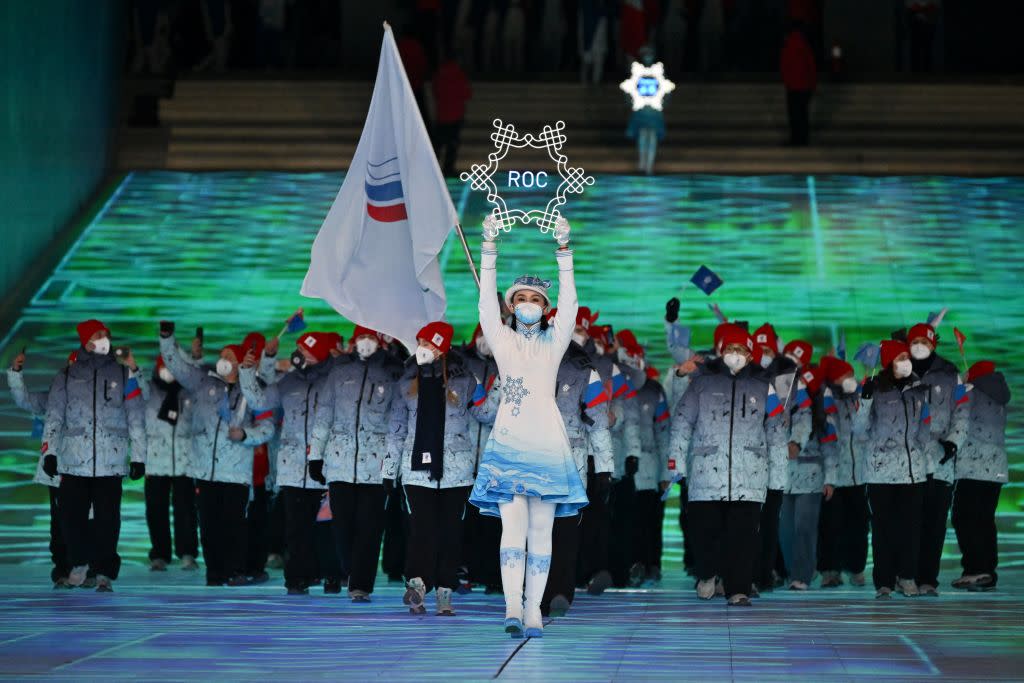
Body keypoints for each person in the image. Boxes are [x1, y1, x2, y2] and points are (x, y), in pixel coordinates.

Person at [469, 214, 586, 639]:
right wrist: (488, 247)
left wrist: (564, 252)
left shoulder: (555, 343)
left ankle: (534, 609)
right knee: (511, 530)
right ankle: (511, 608)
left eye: (536, 299)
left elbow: (570, 307)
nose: (528, 305)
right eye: (521, 298)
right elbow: (484, 304)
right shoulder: (502, 341)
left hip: (547, 445)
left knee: (542, 532)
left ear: (544, 306)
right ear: (512, 304)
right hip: (508, 445)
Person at [669, 323, 787, 607]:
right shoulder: (702, 383)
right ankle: (707, 574)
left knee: (743, 538)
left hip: (750, 476)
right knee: (705, 532)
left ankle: (738, 589)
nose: (735, 354)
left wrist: (779, 479)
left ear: (750, 354)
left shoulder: (763, 386)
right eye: (730, 349)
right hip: (706, 474)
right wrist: (675, 466)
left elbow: (776, 432)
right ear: (721, 352)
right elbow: (682, 423)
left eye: (741, 349)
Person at [159, 322, 274, 587]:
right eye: (221, 356)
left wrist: (246, 435)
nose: (223, 361)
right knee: (209, 528)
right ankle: (214, 573)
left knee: (234, 526)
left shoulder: (252, 390)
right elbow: (177, 366)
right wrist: (167, 340)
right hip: (205, 471)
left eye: (229, 357)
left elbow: (267, 427)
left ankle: (234, 571)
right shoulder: (203, 383)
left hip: (235, 473)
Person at [385, 322, 487, 616]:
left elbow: (485, 413)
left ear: (441, 347)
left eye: (428, 343)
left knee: (450, 533)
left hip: (456, 472)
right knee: (421, 531)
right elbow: (395, 430)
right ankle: (417, 586)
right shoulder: (406, 382)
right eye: (420, 343)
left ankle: (445, 591)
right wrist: (389, 472)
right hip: (417, 472)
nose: (422, 349)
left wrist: (506, 385)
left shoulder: (465, 379)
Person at [43, 320, 147, 592]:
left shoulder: (123, 375)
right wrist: (49, 452)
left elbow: (136, 415)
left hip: (110, 462)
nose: (104, 339)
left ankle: (104, 573)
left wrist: (139, 456)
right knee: (71, 517)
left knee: (108, 520)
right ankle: (78, 563)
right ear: (85, 340)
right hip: (73, 460)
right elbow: (53, 416)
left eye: (106, 335)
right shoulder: (67, 375)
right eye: (98, 335)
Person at [239, 332, 340, 595]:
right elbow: (259, 401)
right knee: (296, 528)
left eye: (305, 351)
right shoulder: (288, 382)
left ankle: (332, 575)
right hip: (293, 467)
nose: (299, 356)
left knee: (328, 527)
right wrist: (248, 373)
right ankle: (297, 579)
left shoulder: (336, 380)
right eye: (298, 351)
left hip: (328, 466)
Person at [309, 326, 401, 603]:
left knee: (370, 530)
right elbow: (323, 415)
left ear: (380, 342)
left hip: (374, 469)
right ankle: (350, 569)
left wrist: (391, 466)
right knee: (343, 527)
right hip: (340, 464)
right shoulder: (338, 374)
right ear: (353, 341)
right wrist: (316, 455)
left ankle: (361, 584)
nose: (365, 343)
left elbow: (398, 424)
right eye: (361, 337)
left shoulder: (391, 374)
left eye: (371, 338)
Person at [540, 313, 613, 615]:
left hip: (571, 464)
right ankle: (533, 595)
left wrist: (605, 467)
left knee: (566, 531)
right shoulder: (523, 361)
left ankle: (559, 593)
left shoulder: (585, 370)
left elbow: (598, 422)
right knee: (534, 531)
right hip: (529, 461)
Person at [854, 339, 932, 599]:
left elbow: (925, 424)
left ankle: (907, 577)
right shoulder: (875, 388)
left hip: (912, 473)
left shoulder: (919, 388)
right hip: (880, 472)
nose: (905, 361)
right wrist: (864, 402)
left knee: (910, 528)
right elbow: (859, 432)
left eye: (905, 356)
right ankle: (884, 581)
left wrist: (923, 452)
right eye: (899, 357)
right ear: (888, 362)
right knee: (883, 528)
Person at [906, 322, 969, 596]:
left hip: (941, 459)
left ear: (934, 343)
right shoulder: (899, 371)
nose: (920, 345)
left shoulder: (951, 374)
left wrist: (954, 442)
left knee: (934, 523)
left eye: (925, 340)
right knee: (908, 522)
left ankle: (928, 578)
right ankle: (905, 574)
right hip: (907, 462)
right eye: (915, 341)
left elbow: (963, 411)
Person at [7, 350, 74, 587]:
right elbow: (24, 399)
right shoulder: (51, 399)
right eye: (70, 369)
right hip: (58, 470)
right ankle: (63, 571)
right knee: (59, 522)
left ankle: (88, 568)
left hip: (90, 470)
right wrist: (16, 373)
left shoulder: (99, 400)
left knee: (90, 520)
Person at [952, 360, 1009, 592]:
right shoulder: (1000, 397)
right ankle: (987, 571)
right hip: (996, 467)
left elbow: (955, 415)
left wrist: (959, 385)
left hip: (972, 465)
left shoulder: (970, 392)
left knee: (964, 518)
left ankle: (975, 570)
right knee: (985, 520)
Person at [142, 356, 200, 572]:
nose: (168, 372)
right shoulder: (149, 392)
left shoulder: (190, 393)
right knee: (156, 509)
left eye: (172, 367)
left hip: (185, 461)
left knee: (186, 509)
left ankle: (187, 553)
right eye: (164, 367)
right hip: (155, 461)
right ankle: (159, 554)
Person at [818, 355, 870, 588]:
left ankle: (857, 568)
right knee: (831, 526)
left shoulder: (860, 398)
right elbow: (828, 442)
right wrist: (829, 478)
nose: (849, 379)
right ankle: (830, 570)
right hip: (836, 477)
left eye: (850, 375)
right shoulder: (827, 402)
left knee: (859, 526)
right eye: (844, 376)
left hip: (860, 475)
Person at [779, 365, 831, 591]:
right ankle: (792, 571)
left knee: (804, 528)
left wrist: (831, 478)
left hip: (811, 477)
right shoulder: (782, 402)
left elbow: (831, 448)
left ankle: (803, 574)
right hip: (783, 478)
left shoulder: (821, 410)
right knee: (785, 530)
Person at [461, 325, 502, 594]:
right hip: (463, 459)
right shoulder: (461, 367)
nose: (484, 342)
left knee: (493, 522)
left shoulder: (507, 367)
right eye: (480, 336)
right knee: (465, 522)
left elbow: (489, 412)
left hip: (495, 458)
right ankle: (465, 570)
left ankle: (494, 575)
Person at [628, 363, 671, 585]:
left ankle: (652, 564)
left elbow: (664, 432)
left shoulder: (655, 391)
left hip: (650, 469)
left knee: (652, 521)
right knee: (627, 522)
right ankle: (631, 565)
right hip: (622, 470)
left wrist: (666, 472)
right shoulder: (617, 385)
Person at [432, 50, 472, 177]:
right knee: (452, 144)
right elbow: (467, 94)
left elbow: (435, 91)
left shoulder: (439, 74)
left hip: (442, 114)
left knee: (438, 143)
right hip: (455, 115)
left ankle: (433, 166)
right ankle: (448, 168)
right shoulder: (459, 74)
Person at [780, 22, 817, 146]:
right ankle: (804, 139)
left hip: (793, 87)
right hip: (805, 86)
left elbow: (785, 66)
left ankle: (796, 139)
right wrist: (812, 85)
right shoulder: (804, 45)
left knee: (794, 115)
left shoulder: (788, 45)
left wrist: (787, 82)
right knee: (803, 114)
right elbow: (811, 66)